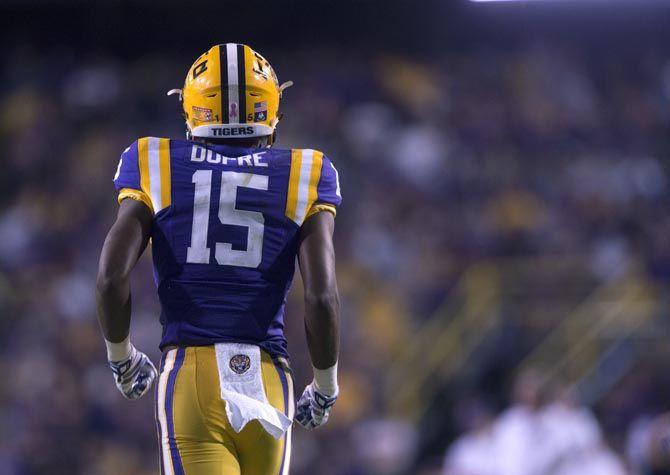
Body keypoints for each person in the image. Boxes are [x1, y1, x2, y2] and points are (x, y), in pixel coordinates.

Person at [95, 43, 342, 475]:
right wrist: (325, 386)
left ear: (193, 107)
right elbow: (322, 296)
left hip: (191, 375)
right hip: (268, 381)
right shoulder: (309, 169)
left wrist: (121, 356)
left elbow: (110, 277)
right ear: (271, 109)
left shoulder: (154, 160)